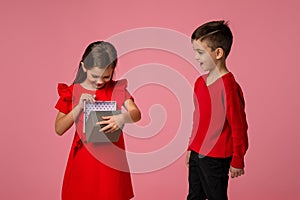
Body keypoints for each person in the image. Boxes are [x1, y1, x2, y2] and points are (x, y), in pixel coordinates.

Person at [54, 41, 141, 200]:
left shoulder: (116, 89)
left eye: (106, 76)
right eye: (95, 76)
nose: (100, 81)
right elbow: (59, 128)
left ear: (113, 70)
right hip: (84, 163)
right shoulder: (72, 91)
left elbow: (136, 113)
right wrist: (79, 106)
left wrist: (122, 117)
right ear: (84, 66)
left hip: (112, 163)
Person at [186, 20, 249, 200]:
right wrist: (191, 146)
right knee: (194, 196)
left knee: (216, 196)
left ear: (218, 53)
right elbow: (198, 118)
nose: (196, 57)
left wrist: (238, 159)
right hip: (197, 153)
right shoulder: (199, 83)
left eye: (200, 52)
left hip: (216, 157)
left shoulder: (229, 87)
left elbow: (239, 127)